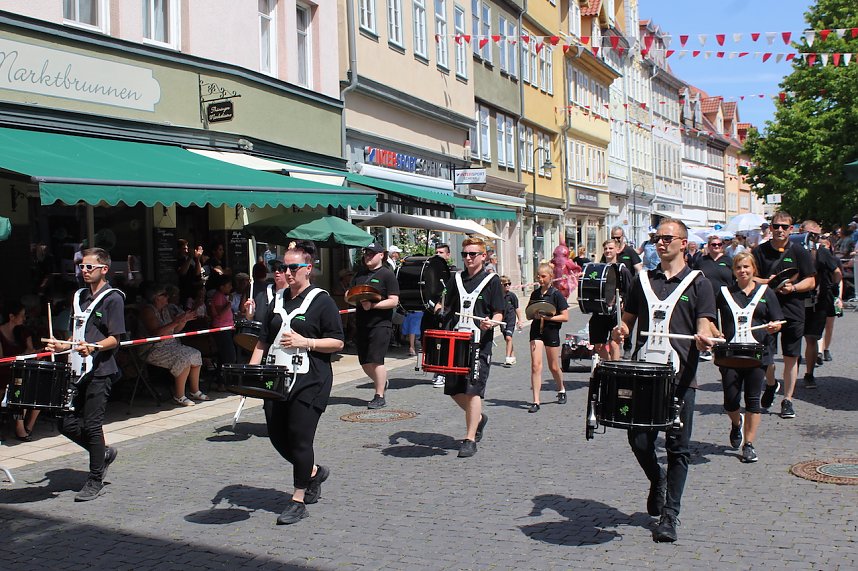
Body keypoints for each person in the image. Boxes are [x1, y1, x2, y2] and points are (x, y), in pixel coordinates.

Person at [611, 219, 717, 543]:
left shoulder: (699, 283)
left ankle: (670, 516)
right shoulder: (642, 280)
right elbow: (627, 321)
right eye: (657, 238)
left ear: (683, 243)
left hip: (681, 377)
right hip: (644, 374)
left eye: (667, 238)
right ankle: (657, 479)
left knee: (677, 448)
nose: (660, 242)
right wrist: (621, 330)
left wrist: (704, 337)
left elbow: (705, 323)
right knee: (639, 440)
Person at [248, 242, 344, 525]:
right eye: (283, 268)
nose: (287, 272)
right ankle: (313, 472)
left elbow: (337, 342)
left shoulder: (322, 301)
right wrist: (251, 373)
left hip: (310, 379)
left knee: (300, 438)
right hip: (276, 379)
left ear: (308, 268)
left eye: (293, 267)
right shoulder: (276, 300)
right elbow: (263, 341)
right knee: (277, 436)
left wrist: (307, 342)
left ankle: (298, 499)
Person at [47, 247, 126, 502]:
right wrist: (63, 346)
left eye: (89, 266)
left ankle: (95, 479)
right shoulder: (79, 296)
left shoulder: (113, 298)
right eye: (81, 266)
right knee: (65, 422)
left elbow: (115, 339)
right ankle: (102, 453)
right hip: (77, 368)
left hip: (100, 370)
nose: (84, 270)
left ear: (104, 269)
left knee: (92, 425)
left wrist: (94, 347)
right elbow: (77, 333)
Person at [435, 237, 503, 458]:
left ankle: (470, 438)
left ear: (483, 256)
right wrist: (438, 309)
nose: (468, 258)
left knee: (472, 390)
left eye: (473, 254)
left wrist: (492, 322)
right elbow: (446, 304)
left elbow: (498, 312)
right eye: (465, 254)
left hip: (479, 344)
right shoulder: (456, 278)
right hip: (456, 342)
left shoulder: (492, 280)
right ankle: (479, 418)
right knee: (454, 390)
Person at [716, 252, 784, 463]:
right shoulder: (725, 293)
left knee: (753, 399)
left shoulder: (766, 293)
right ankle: (737, 423)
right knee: (730, 401)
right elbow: (710, 319)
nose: (743, 271)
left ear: (754, 269)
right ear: (733, 271)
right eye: (738, 267)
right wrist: (715, 332)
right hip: (730, 355)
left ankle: (749, 444)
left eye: (746, 267)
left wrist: (774, 327)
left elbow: (778, 320)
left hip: (757, 355)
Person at [752, 211, 815, 419]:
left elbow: (811, 281)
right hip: (766, 310)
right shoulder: (759, 251)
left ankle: (787, 399)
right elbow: (750, 277)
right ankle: (771, 384)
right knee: (766, 356)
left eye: (784, 227)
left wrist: (793, 288)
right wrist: (768, 282)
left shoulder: (799, 251)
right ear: (770, 228)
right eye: (776, 226)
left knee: (791, 356)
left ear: (791, 229)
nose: (780, 230)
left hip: (793, 309)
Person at [138, 284, 209, 406]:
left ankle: (194, 390)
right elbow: (156, 333)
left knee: (195, 354)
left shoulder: (166, 310)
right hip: (153, 348)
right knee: (183, 357)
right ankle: (179, 396)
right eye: (164, 295)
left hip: (170, 344)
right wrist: (176, 321)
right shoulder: (148, 311)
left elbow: (175, 330)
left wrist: (183, 320)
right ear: (156, 298)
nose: (168, 297)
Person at [351, 242, 399, 409]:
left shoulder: (387, 275)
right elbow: (350, 294)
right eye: (366, 253)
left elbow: (394, 301)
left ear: (381, 255)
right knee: (365, 362)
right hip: (362, 323)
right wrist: (353, 298)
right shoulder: (360, 274)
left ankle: (379, 396)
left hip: (380, 323)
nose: (368, 256)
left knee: (376, 360)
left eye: (371, 254)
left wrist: (373, 305)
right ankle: (382, 381)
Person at [799, 220, 841, 389]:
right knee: (794, 338)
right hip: (795, 300)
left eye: (816, 235)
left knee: (811, 338)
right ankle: (794, 369)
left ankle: (809, 374)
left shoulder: (822, 252)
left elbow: (836, 272)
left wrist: (832, 289)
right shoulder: (794, 250)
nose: (813, 238)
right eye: (810, 234)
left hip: (817, 301)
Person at [526, 263, 569, 412]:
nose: (540, 279)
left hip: (551, 330)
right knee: (536, 365)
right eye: (538, 276)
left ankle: (561, 389)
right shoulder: (535, 294)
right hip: (536, 331)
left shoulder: (556, 294)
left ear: (551, 277)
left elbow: (565, 316)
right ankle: (536, 401)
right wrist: (534, 314)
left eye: (543, 276)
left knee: (554, 366)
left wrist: (549, 318)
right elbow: (528, 314)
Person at [0, 300, 39, 441]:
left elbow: (30, 350)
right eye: (22, 315)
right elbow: (1, 361)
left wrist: (31, 351)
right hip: (4, 373)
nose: (24, 318)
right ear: (11, 317)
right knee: (20, 390)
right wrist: (21, 356)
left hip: (20, 373)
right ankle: (19, 427)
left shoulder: (22, 332)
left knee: (38, 387)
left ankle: (29, 426)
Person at [588, 240, 632, 361]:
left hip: (615, 312)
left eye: (611, 248)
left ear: (617, 250)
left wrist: (623, 302)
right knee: (598, 345)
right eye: (606, 248)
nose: (608, 251)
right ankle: (608, 365)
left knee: (614, 343)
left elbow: (629, 291)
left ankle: (615, 369)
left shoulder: (622, 270)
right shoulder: (598, 269)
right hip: (600, 310)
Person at [603, 226, 642, 359]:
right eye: (613, 237)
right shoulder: (609, 251)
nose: (616, 239)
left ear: (623, 237)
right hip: (610, 293)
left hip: (627, 290)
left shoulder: (629, 251)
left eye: (618, 237)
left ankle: (627, 348)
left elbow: (639, 269)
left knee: (626, 321)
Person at [425, 244, 453, 387]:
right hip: (432, 312)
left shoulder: (452, 273)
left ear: (448, 255)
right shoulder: (430, 271)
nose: (438, 254)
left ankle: (442, 373)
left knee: (444, 344)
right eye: (436, 252)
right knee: (433, 343)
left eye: (441, 252)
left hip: (446, 314)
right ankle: (437, 371)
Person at [207, 273, 237, 385]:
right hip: (221, 329)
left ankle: (222, 381)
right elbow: (220, 313)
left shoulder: (221, 296)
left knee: (223, 356)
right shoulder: (218, 296)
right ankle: (224, 381)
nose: (230, 288)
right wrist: (229, 303)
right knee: (229, 356)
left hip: (226, 328)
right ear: (221, 286)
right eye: (228, 285)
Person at [817, 232, 842, 363]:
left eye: (824, 246)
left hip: (832, 294)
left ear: (830, 246)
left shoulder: (835, 260)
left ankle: (826, 348)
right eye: (820, 246)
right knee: (819, 324)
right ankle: (819, 351)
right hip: (820, 294)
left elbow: (839, 278)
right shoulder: (816, 260)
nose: (822, 249)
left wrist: (839, 298)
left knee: (829, 325)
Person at [500, 276, 523, 367]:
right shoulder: (497, 296)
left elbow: (517, 308)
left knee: (508, 337)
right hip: (502, 320)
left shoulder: (512, 296)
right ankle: (512, 356)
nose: (507, 286)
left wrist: (520, 320)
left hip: (511, 319)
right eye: (505, 284)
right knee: (507, 338)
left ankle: (508, 358)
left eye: (509, 284)